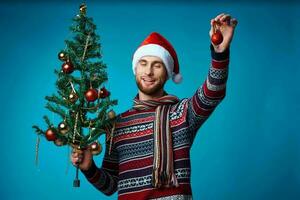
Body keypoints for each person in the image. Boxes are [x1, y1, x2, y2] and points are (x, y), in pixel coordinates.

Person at [71, 13, 238, 200]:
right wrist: (89, 168)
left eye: (157, 65)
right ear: (136, 69)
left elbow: (212, 94)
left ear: (167, 73)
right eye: (143, 64)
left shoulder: (182, 113)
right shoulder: (116, 125)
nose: (148, 71)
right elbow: (110, 186)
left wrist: (220, 53)